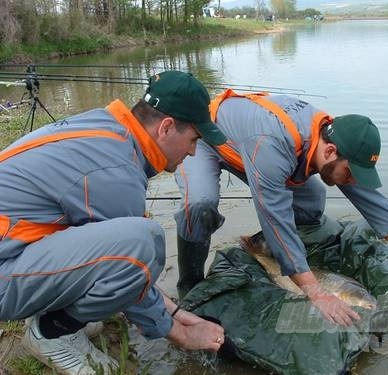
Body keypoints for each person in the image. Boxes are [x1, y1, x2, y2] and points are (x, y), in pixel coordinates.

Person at [0, 71, 227, 375]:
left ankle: (56, 313)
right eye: (193, 139)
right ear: (167, 127)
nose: (192, 151)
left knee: (130, 241)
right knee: (144, 241)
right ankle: (53, 333)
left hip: (13, 246)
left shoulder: (107, 129)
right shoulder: (117, 167)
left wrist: (175, 311)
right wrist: (182, 333)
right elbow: (131, 261)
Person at [174, 89, 388, 326]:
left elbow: (372, 201)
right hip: (207, 140)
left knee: (312, 198)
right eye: (350, 173)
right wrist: (316, 292)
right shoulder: (273, 145)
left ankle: (265, 251)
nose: (353, 182)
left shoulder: (338, 141)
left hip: (257, 146)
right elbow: (275, 218)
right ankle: (190, 289)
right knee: (200, 204)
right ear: (330, 152)